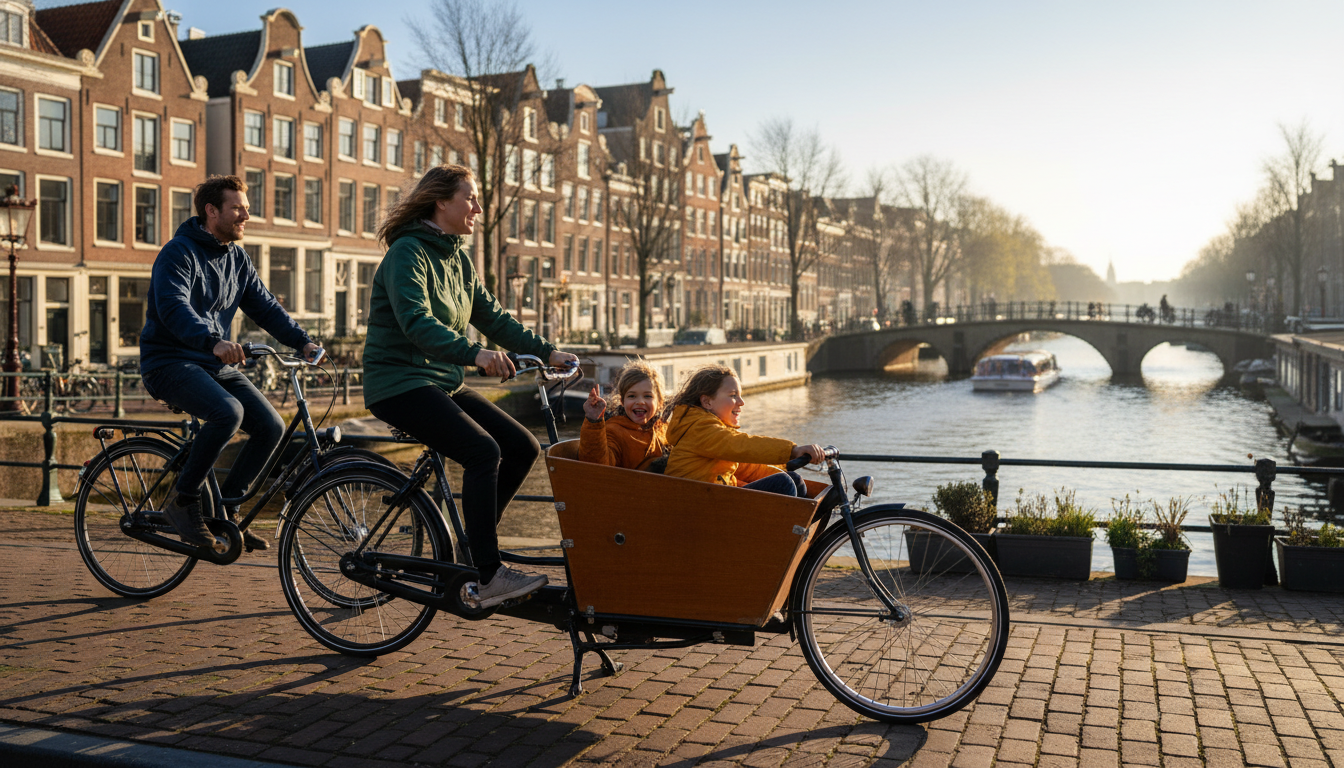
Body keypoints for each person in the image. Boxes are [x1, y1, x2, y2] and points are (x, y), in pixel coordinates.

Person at [363, 164, 578, 609]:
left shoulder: (457, 256)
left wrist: (548, 351)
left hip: (441, 381)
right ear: (442, 202)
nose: (478, 208)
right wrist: (476, 354)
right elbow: (417, 323)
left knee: (522, 447)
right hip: (399, 382)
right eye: (471, 198)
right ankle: (487, 572)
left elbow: (492, 316)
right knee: (483, 452)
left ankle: (472, 545)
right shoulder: (408, 253)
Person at [140, 174, 322, 552]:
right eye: (237, 208)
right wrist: (213, 341)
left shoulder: (237, 257)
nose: (246, 216)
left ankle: (227, 511)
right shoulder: (179, 252)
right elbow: (174, 307)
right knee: (228, 412)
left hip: (211, 361)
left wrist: (302, 342)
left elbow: (266, 307)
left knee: (271, 425)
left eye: (247, 209)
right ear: (211, 211)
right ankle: (183, 502)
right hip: (169, 361)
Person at [664, 365, 823, 496]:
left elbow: (746, 466)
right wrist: (792, 451)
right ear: (707, 401)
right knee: (784, 484)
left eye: (740, 395)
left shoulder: (711, 430)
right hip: (696, 505)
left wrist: (785, 466)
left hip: (711, 498)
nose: (741, 402)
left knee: (792, 479)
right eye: (733, 395)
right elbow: (740, 444)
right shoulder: (700, 428)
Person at [578, 361, 669, 470]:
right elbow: (597, 464)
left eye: (647, 396)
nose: (640, 401)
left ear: (660, 402)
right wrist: (593, 421)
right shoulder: (614, 431)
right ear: (622, 401)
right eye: (632, 396)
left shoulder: (663, 428)